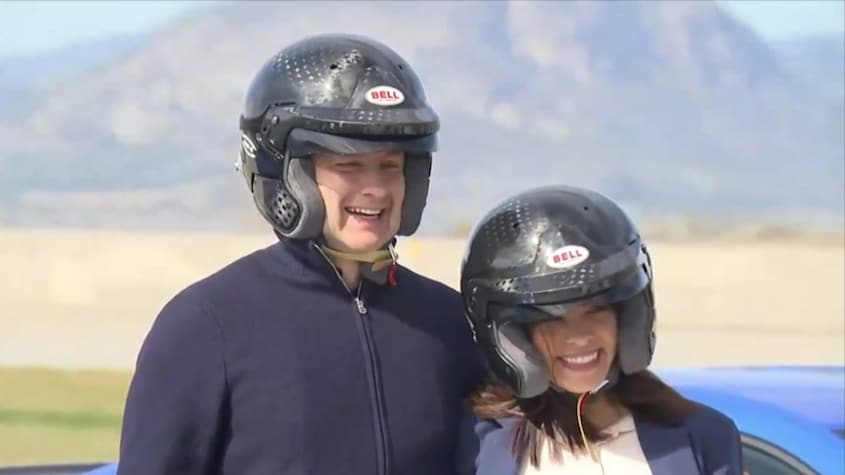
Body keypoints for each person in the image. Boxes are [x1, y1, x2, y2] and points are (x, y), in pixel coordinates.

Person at [115, 33, 485, 475]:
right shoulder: (206, 325)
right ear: (288, 175)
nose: (376, 188)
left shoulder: (449, 323)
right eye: (348, 165)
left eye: (391, 166)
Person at [457, 185, 744, 474]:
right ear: (515, 335)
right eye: (550, 318)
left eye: (596, 310)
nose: (579, 336)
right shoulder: (475, 444)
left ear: (626, 316)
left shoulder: (706, 438)